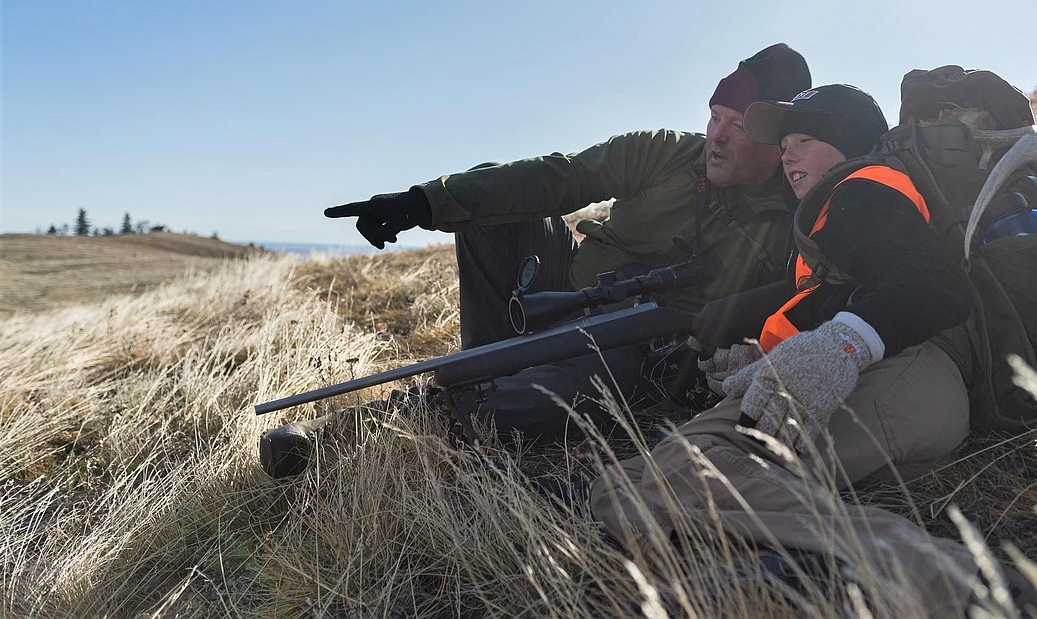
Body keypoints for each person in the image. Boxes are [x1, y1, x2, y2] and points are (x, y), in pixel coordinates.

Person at [587, 84, 1037, 617]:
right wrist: (775, 351)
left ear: (846, 141)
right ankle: (793, 574)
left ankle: (989, 595)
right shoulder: (847, 208)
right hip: (908, 394)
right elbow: (862, 290)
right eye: (784, 145)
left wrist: (840, 346)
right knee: (621, 489)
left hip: (914, 374)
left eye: (804, 137)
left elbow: (932, 284)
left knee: (682, 469)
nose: (787, 153)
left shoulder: (860, 187)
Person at [260, 44, 813, 478]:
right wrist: (423, 202)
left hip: (641, 347)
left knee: (555, 398)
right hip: (561, 288)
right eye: (713, 116)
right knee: (498, 211)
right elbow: (559, 177)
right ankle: (488, 359)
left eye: (736, 126)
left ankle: (359, 429)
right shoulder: (666, 151)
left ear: (779, 136)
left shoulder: (801, 216)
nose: (714, 136)